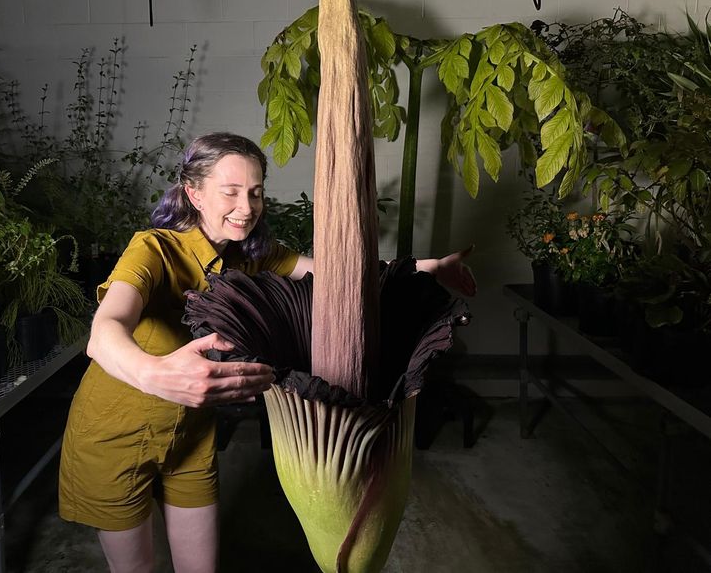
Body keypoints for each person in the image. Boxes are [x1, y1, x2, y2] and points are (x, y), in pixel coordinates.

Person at [58, 132, 476, 573]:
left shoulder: (252, 256)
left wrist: (431, 268)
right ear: (194, 193)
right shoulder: (154, 250)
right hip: (115, 435)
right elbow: (103, 332)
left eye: (256, 192)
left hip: (192, 435)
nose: (247, 206)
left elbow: (343, 274)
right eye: (231, 191)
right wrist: (153, 374)